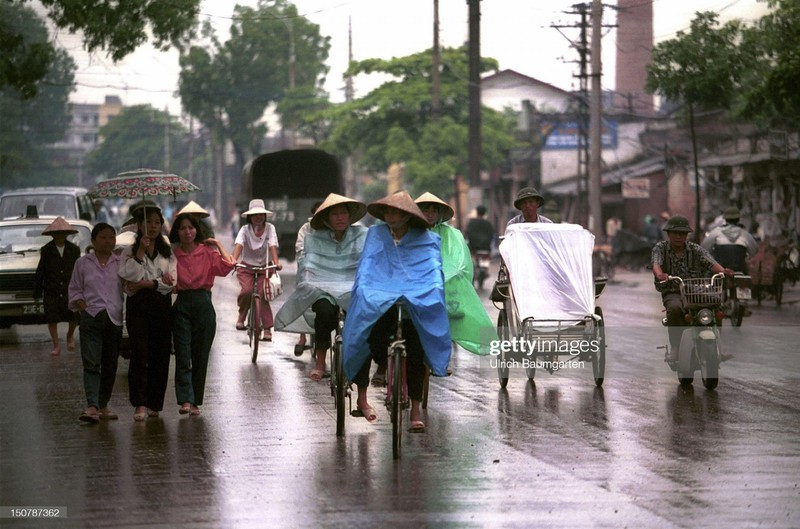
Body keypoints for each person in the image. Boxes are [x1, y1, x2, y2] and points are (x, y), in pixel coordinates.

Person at [343, 191, 451, 432]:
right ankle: (381, 365)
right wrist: (367, 289)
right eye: (388, 212)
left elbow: (433, 270)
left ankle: (414, 411)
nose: (391, 216)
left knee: (415, 350)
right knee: (371, 330)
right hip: (381, 294)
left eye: (397, 212)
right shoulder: (375, 234)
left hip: (416, 297)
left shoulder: (427, 238)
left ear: (407, 216)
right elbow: (368, 267)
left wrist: (429, 290)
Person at [275, 193, 368, 380]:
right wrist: (309, 279)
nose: (340, 218)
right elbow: (310, 263)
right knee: (324, 313)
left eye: (344, 213)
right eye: (335, 214)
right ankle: (320, 361)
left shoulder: (362, 234)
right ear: (326, 218)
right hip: (323, 288)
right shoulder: (314, 237)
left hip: (352, 288)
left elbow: (368, 262)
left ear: (350, 216)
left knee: (361, 321)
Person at [416, 192, 497, 356]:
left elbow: (460, 260)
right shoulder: (410, 232)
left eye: (434, 210)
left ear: (439, 214)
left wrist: (450, 273)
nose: (430, 214)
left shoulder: (452, 234)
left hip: (443, 280)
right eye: (426, 210)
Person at [169, 213, 235, 416]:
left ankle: (195, 400)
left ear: (197, 230)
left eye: (191, 227)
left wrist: (216, 243)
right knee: (182, 352)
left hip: (203, 303)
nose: (187, 232)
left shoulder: (207, 251)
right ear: (177, 232)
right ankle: (185, 400)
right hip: (181, 304)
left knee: (200, 354)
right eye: (182, 228)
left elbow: (228, 266)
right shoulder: (172, 254)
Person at [118, 205, 177, 421]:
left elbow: (171, 281)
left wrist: (146, 284)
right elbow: (127, 276)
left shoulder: (167, 250)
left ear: (161, 225)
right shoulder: (129, 251)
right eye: (147, 222)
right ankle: (140, 403)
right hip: (138, 309)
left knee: (160, 354)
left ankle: (154, 403)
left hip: (161, 306)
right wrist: (141, 251)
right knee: (140, 354)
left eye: (156, 222)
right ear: (139, 226)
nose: (152, 226)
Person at [651, 215, 733, 364]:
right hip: (673, 291)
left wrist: (723, 271)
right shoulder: (660, 248)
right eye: (675, 233)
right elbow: (656, 263)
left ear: (687, 235)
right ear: (668, 233)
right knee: (675, 309)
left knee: (716, 305)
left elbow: (710, 261)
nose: (678, 236)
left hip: (696, 290)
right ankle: (676, 347)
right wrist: (660, 274)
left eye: (682, 233)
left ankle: (718, 345)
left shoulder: (695, 249)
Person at [68, 222, 124, 423]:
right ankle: (91, 405)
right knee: (91, 362)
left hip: (114, 317)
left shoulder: (120, 262)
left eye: (112, 237)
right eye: (103, 237)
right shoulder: (82, 264)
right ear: (93, 240)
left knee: (110, 363)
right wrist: (82, 304)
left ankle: (103, 405)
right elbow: (74, 288)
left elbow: (128, 286)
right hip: (91, 316)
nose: (108, 241)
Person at [232, 199, 281, 341]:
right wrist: (233, 260)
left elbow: (272, 246)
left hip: (264, 268)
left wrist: (276, 263)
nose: (258, 217)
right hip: (247, 267)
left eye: (261, 214)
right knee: (247, 291)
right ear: (250, 217)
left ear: (265, 216)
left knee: (263, 295)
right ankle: (242, 314)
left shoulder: (270, 228)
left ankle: (267, 329)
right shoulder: (244, 230)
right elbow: (239, 246)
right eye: (255, 215)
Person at [34, 217, 81, 356]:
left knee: (73, 316)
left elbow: (78, 270)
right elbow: (40, 271)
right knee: (52, 317)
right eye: (57, 233)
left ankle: (70, 335)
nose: (60, 236)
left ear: (66, 234)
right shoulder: (46, 250)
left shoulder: (74, 249)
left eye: (62, 233)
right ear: (53, 235)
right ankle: (56, 345)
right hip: (51, 289)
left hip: (70, 288)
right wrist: (37, 291)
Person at [293, 200, 324, 357]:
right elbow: (300, 249)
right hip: (308, 269)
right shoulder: (306, 229)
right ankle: (302, 337)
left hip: (328, 272)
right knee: (302, 296)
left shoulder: (331, 229)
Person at [701, 207, 758, 273]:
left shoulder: (716, 232)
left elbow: (704, 248)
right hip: (740, 270)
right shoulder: (745, 234)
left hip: (720, 271)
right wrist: (746, 256)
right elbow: (754, 249)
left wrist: (713, 255)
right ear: (738, 219)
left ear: (725, 219)